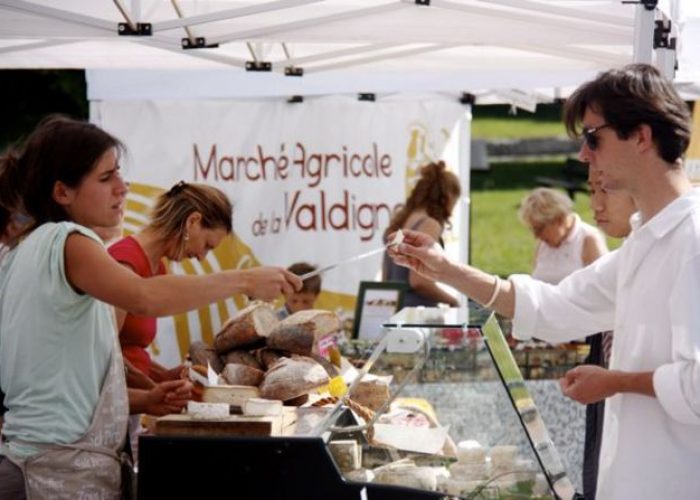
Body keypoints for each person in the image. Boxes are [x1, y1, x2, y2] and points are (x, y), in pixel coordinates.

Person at [389, 64, 699, 499]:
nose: (583, 155)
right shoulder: (647, 239)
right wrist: (446, 269)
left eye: (593, 137)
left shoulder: (693, 239)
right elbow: (556, 306)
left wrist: (617, 381)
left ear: (642, 137)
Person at [0, 115, 301, 499]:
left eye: (119, 175)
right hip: (54, 470)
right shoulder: (69, 239)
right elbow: (145, 296)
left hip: (43, 462)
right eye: (106, 178)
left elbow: (72, 372)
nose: (122, 188)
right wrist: (243, 280)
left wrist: (148, 393)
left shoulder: (22, 249)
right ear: (62, 192)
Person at [108, 182, 236, 389]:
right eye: (207, 245)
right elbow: (105, 354)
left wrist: (164, 376)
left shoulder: (158, 268)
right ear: (193, 221)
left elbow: (131, 352)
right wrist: (154, 391)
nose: (202, 258)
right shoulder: (125, 261)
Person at [581, 166, 636, 500]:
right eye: (591, 191)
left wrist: (614, 382)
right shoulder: (623, 260)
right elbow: (555, 305)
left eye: (605, 190)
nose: (596, 205)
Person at [382, 161, 460, 307]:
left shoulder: (402, 221)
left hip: (394, 311)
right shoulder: (429, 224)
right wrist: (453, 301)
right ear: (448, 198)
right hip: (416, 314)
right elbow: (419, 282)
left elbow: (387, 277)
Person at [518, 187, 607, 285]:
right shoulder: (544, 243)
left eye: (540, 228)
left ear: (559, 219)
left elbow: (602, 286)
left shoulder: (589, 239)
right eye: (533, 229)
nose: (536, 236)